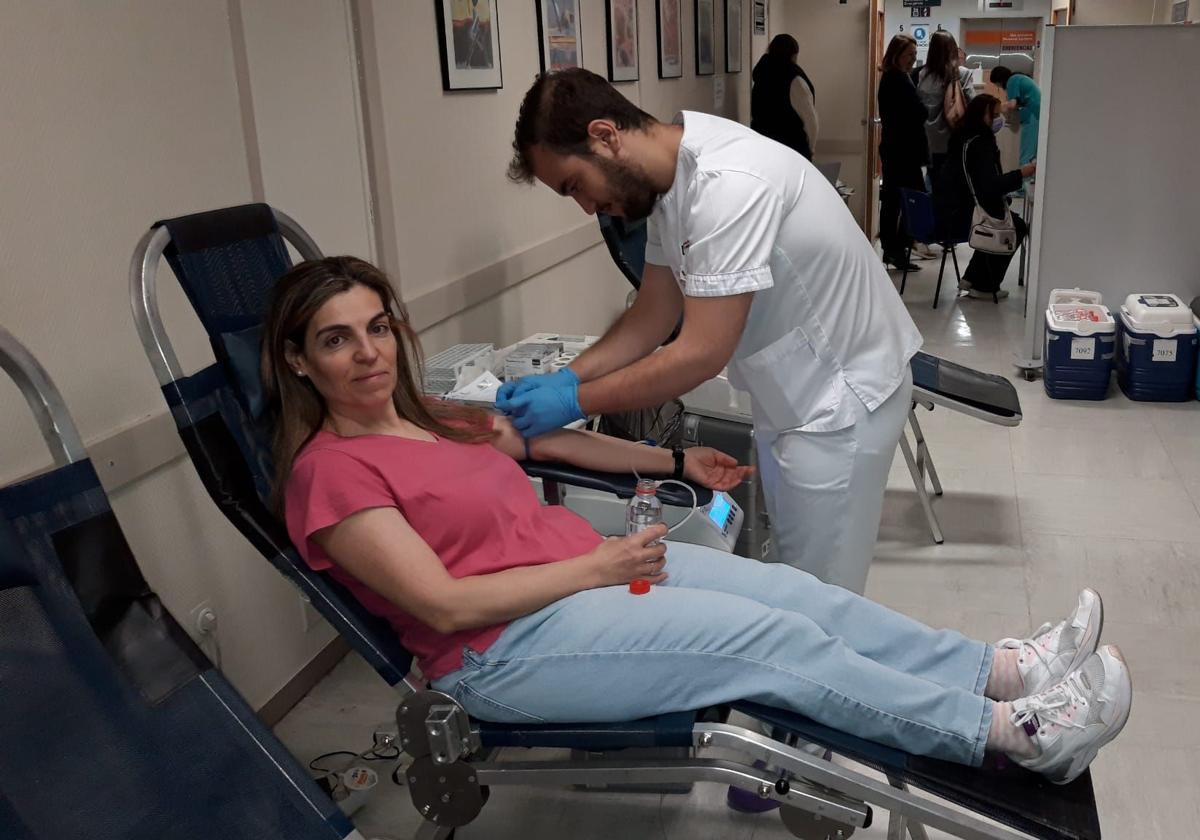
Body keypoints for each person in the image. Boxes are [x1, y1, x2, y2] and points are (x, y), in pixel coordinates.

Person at [263, 255, 1133, 785]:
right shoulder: (329, 477)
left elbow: (554, 448)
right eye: (337, 340)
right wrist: (595, 570)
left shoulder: (439, 417)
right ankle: (1014, 738)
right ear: (299, 362)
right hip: (503, 650)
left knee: (801, 599)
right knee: (771, 646)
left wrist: (676, 463)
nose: (368, 351)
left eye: (377, 327)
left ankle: (1004, 670)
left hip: (591, 576)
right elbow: (446, 607)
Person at [499, 68, 921, 596]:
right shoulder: (667, 185)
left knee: (824, 599)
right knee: (798, 579)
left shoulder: (729, 185)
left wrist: (573, 400)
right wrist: (565, 377)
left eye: (576, 186)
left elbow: (699, 352)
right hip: (797, 395)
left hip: (841, 402)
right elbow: (652, 313)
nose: (586, 208)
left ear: (605, 137)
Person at [934, 94, 1036, 300]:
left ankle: (971, 277)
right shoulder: (981, 144)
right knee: (1014, 227)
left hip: (950, 208)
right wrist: (1023, 173)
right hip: (964, 214)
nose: (999, 120)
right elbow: (990, 186)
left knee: (1003, 221)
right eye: (995, 115)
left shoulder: (962, 137)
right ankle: (984, 285)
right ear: (983, 116)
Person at [877, 34, 929, 272]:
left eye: (915, 56)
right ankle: (895, 249)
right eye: (909, 55)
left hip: (901, 149)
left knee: (900, 199)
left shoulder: (901, 77)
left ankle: (898, 249)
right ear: (897, 54)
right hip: (899, 151)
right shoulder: (894, 80)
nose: (912, 60)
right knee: (900, 200)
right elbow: (916, 113)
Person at [917, 31, 975, 186]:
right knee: (953, 188)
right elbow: (973, 104)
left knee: (933, 181)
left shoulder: (922, 74)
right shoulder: (962, 74)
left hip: (929, 142)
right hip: (953, 141)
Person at [750, 34, 818, 160]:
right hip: (792, 150)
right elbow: (810, 120)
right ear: (793, 55)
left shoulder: (761, 76)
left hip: (763, 148)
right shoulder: (794, 79)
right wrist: (811, 149)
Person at [990, 66, 1042, 169]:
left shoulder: (1012, 81)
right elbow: (1018, 103)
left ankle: (1025, 180)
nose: (998, 87)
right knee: (1031, 150)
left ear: (999, 80)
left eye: (996, 84)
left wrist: (999, 107)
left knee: (1026, 152)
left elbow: (1012, 104)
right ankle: (1029, 177)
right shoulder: (1018, 78)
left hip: (1032, 115)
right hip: (1036, 113)